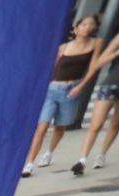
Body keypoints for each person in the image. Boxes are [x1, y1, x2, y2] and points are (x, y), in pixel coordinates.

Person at [26, 16, 105, 176]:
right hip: (53, 88)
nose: (87, 27)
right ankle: (29, 164)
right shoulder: (63, 47)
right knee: (42, 127)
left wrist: (81, 86)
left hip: (72, 89)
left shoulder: (96, 43)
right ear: (76, 29)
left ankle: (49, 152)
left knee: (60, 126)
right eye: (84, 24)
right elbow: (53, 67)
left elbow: (94, 66)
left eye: (91, 24)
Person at [68, 32, 119, 175]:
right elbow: (99, 63)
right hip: (111, 84)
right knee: (96, 124)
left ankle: (101, 154)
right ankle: (82, 160)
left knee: (115, 124)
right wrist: (116, 53)